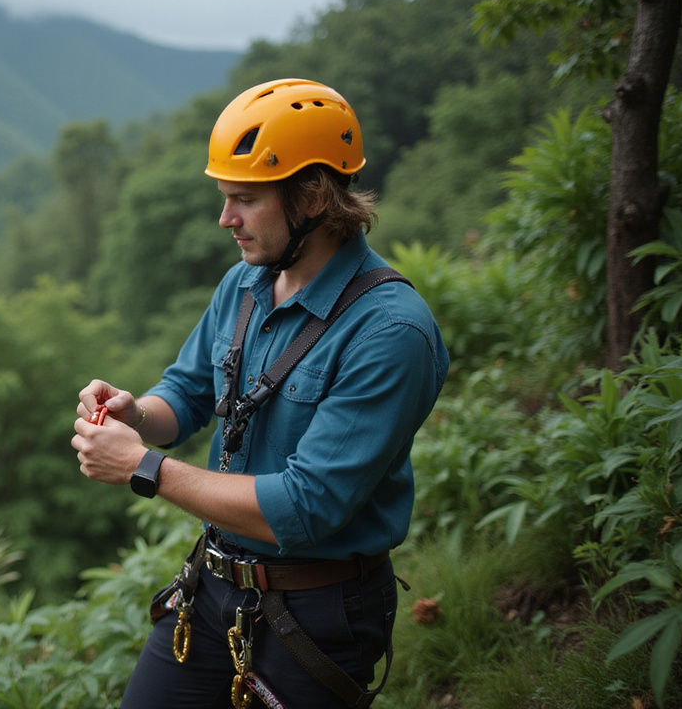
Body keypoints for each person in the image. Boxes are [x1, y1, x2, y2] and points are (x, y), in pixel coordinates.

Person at [71, 78, 449, 709]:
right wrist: (136, 415)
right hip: (216, 586)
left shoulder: (391, 332)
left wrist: (143, 469)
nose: (226, 219)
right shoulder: (244, 284)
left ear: (312, 197)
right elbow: (188, 395)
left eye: (244, 200)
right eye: (225, 198)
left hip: (321, 610)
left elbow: (307, 506)